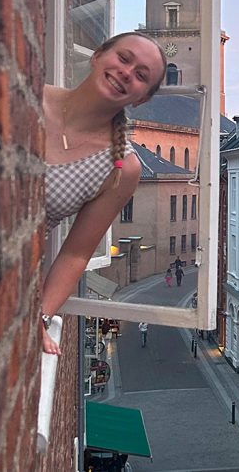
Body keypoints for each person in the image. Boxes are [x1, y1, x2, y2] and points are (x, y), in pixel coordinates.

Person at [41, 31, 166, 356]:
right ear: (98, 55)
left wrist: (41, 317)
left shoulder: (120, 166)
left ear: (141, 99)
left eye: (141, 75)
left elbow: (75, 254)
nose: (126, 72)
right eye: (124, 58)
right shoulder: (32, 96)